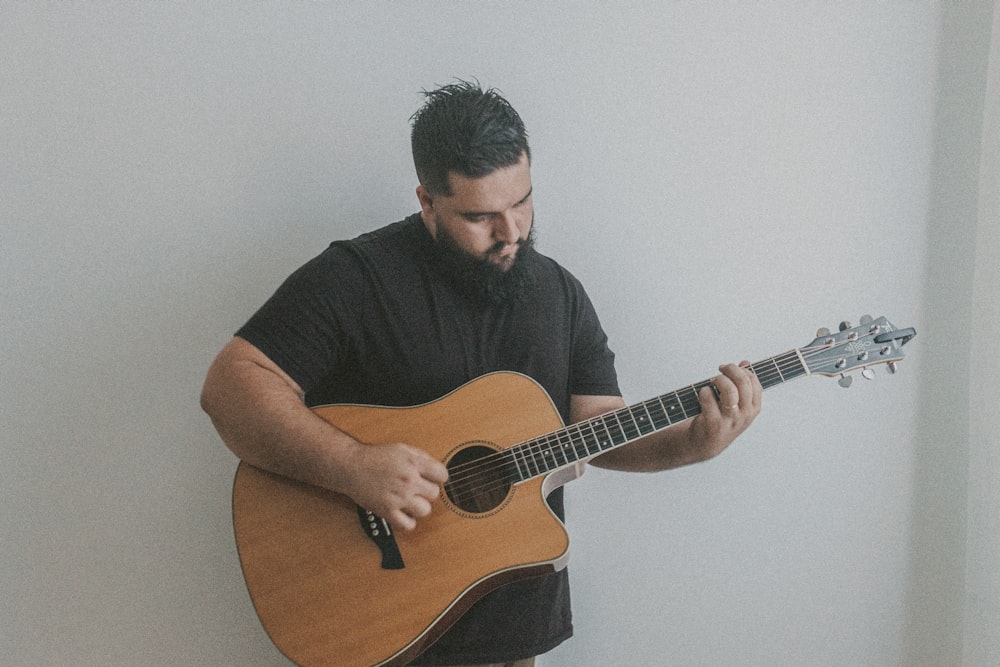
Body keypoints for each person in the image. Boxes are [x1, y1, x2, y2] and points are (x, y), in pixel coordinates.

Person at [201, 80, 762, 667]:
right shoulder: (356, 278)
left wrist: (693, 444)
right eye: (480, 216)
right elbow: (232, 386)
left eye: (522, 202)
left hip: (510, 627)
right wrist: (354, 467)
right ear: (427, 202)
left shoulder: (559, 293)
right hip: (376, 618)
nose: (512, 232)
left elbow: (597, 427)